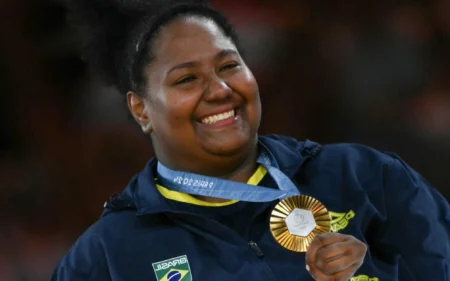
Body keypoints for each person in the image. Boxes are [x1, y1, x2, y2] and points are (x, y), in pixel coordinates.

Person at [52, 0, 450, 280]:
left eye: (229, 65)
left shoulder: (364, 177)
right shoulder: (109, 254)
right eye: (186, 79)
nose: (220, 89)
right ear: (141, 110)